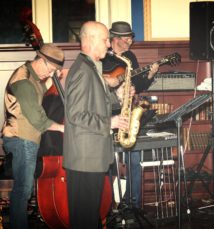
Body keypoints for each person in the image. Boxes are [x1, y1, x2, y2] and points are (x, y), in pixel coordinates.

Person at [63, 21, 131, 229]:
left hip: (89, 157)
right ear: (90, 40)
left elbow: (95, 102)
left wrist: (119, 97)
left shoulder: (90, 68)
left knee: (89, 217)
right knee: (84, 219)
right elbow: (76, 115)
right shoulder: (83, 71)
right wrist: (109, 122)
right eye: (104, 40)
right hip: (85, 158)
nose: (109, 45)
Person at [1, 44, 65, 229]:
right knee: (23, 190)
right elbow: (37, 118)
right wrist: (61, 128)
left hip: (27, 139)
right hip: (21, 138)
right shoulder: (24, 80)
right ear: (41, 61)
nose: (51, 74)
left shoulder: (35, 78)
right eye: (51, 69)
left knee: (23, 189)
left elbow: (42, 100)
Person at [102, 21, 159, 209]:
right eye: (127, 38)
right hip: (108, 115)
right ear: (116, 39)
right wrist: (118, 91)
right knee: (109, 165)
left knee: (134, 159)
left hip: (128, 113)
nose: (131, 41)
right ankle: (109, 204)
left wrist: (148, 76)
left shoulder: (130, 57)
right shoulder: (102, 58)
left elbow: (139, 84)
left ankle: (133, 203)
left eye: (131, 37)